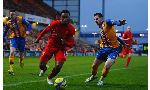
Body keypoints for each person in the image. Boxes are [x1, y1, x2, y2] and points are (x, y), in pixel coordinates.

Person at [85, 13, 126, 86]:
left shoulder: (107, 22)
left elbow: (113, 22)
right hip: (104, 49)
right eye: (94, 19)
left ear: (101, 18)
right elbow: (115, 37)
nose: (95, 20)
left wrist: (119, 23)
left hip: (114, 49)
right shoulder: (101, 28)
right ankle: (93, 76)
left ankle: (101, 80)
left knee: (107, 65)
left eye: (97, 19)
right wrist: (124, 43)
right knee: (94, 66)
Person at [35, 10, 75, 85]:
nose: (65, 19)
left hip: (61, 48)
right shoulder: (55, 23)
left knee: (58, 66)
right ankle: (44, 69)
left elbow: (71, 43)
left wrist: (65, 42)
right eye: (63, 17)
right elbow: (45, 30)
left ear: (69, 17)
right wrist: (38, 39)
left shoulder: (71, 29)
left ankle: (49, 78)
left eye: (67, 17)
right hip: (50, 46)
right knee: (41, 66)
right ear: (60, 17)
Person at [3, 9, 31, 75]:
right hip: (14, 38)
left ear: (15, 14)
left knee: (21, 54)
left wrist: (28, 31)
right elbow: (5, 32)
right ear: (9, 15)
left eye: (13, 14)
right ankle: (11, 68)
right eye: (11, 14)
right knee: (12, 52)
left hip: (22, 39)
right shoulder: (8, 22)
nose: (12, 15)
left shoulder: (20, 19)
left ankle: (21, 60)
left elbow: (29, 25)